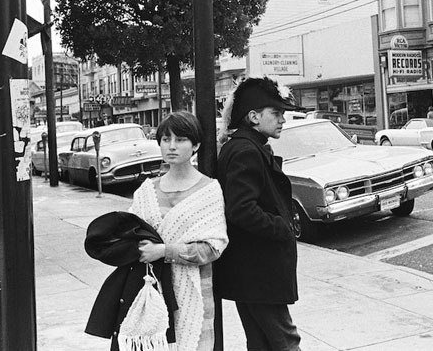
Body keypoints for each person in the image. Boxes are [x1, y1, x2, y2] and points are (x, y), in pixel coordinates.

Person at [215, 76, 304, 351]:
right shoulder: (246, 151)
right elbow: (241, 209)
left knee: (260, 342)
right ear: (253, 117)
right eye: (276, 114)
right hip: (259, 270)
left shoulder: (245, 146)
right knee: (286, 341)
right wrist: (282, 227)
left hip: (250, 272)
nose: (282, 120)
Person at [128, 111, 228, 351]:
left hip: (195, 294)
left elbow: (212, 249)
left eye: (181, 139)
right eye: (165, 139)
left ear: (196, 145)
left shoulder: (209, 190)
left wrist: (164, 250)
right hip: (152, 289)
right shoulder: (146, 190)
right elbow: (129, 234)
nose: (171, 146)